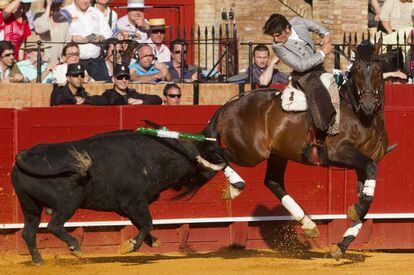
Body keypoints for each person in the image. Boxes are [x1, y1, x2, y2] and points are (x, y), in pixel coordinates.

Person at [263, 14, 337, 161]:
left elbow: (319, 28)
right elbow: (300, 66)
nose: (276, 39)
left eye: (278, 35)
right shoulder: (278, 47)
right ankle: (317, 142)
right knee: (316, 92)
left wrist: (327, 36)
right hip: (304, 75)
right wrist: (323, 52)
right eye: (273, 36)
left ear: (288, 29)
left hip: (319, 69)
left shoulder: (297, 21)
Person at [64, 0, 112, 81]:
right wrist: (72, 38)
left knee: (104, 88)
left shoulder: (96, 12)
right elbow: (58, 34)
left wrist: (102, 37)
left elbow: (108, 32)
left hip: (96, 61)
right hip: (76, 61)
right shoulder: (66, 12)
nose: (85, 1)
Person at [33, 0, 71, 65]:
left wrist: (64, 58)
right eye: (54, 5)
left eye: (57, 5)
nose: (56, 7)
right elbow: (41, 28)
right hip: (44, 62)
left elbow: (67, 40)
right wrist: (48, 6)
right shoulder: (39, 16)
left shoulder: (63, 19)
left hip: (59, 62)